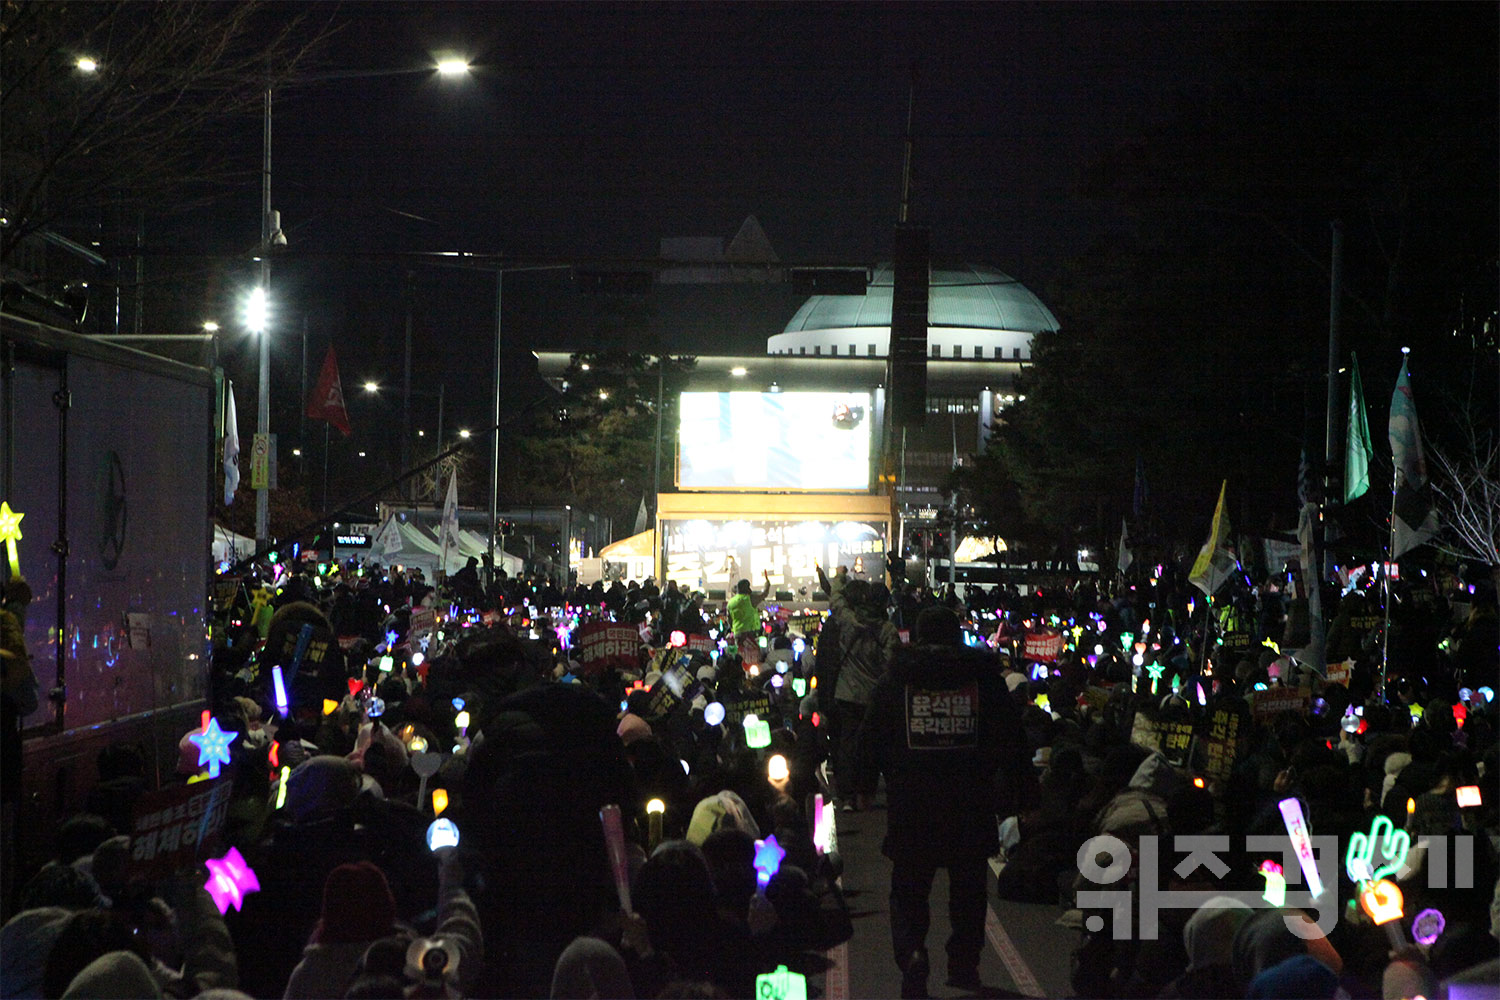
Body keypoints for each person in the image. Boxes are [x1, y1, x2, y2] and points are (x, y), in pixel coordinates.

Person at [858, 605, 1022, 998]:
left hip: (913, 805)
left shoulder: (896, 680)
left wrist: (861, 785)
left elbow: (871, 736)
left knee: (909, 891)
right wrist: (1021, 792)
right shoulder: (985, 681)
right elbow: (1012, 740)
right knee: (969, 892)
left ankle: (913, 954)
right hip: (970, 802)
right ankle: (964, 965)